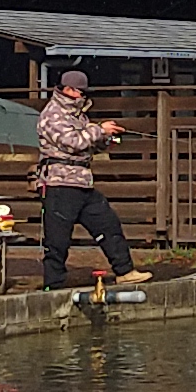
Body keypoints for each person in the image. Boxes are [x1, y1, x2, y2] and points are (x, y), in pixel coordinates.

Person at [34, 68, 132, 288]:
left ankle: (125, 271)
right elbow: (73, 142)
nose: (84, 96)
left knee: (108, 223)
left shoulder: (79, 115)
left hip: (83, 183)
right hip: (59, 184)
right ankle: (53, 285)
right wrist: (99, 130)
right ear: (68, 90)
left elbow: (88, 145)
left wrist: (107, 136)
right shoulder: (51, 115)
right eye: (81, 92)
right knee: (57, 240)